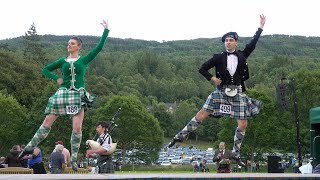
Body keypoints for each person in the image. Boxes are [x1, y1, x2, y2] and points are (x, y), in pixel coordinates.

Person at [167, 15, 266, 166]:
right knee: (201, 114)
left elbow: (252, 44)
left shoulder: (241, 55)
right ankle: (179, 136)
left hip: (237, 92)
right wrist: (212, 78)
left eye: (231, 40)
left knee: (243, 123)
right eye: (226, 40)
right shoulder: (218, 57)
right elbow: (202, 68)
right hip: (220, 91)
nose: (228, 42)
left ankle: (236, 153)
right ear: (224, 43)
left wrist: (260, 28)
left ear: (235, 42)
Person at [18, 19, 110, 171]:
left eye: (72, 43)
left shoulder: (84, 59)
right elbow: (45, 70)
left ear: (79, 47)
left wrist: (106, 30)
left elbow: (99, 48)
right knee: (47, 121)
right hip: (62, 94)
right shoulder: (62, 61)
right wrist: (57, 78)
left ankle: (73, 158)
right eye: (68, 43)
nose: (69, 45)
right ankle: (29, 147)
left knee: (77, 127)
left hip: (77, 95)